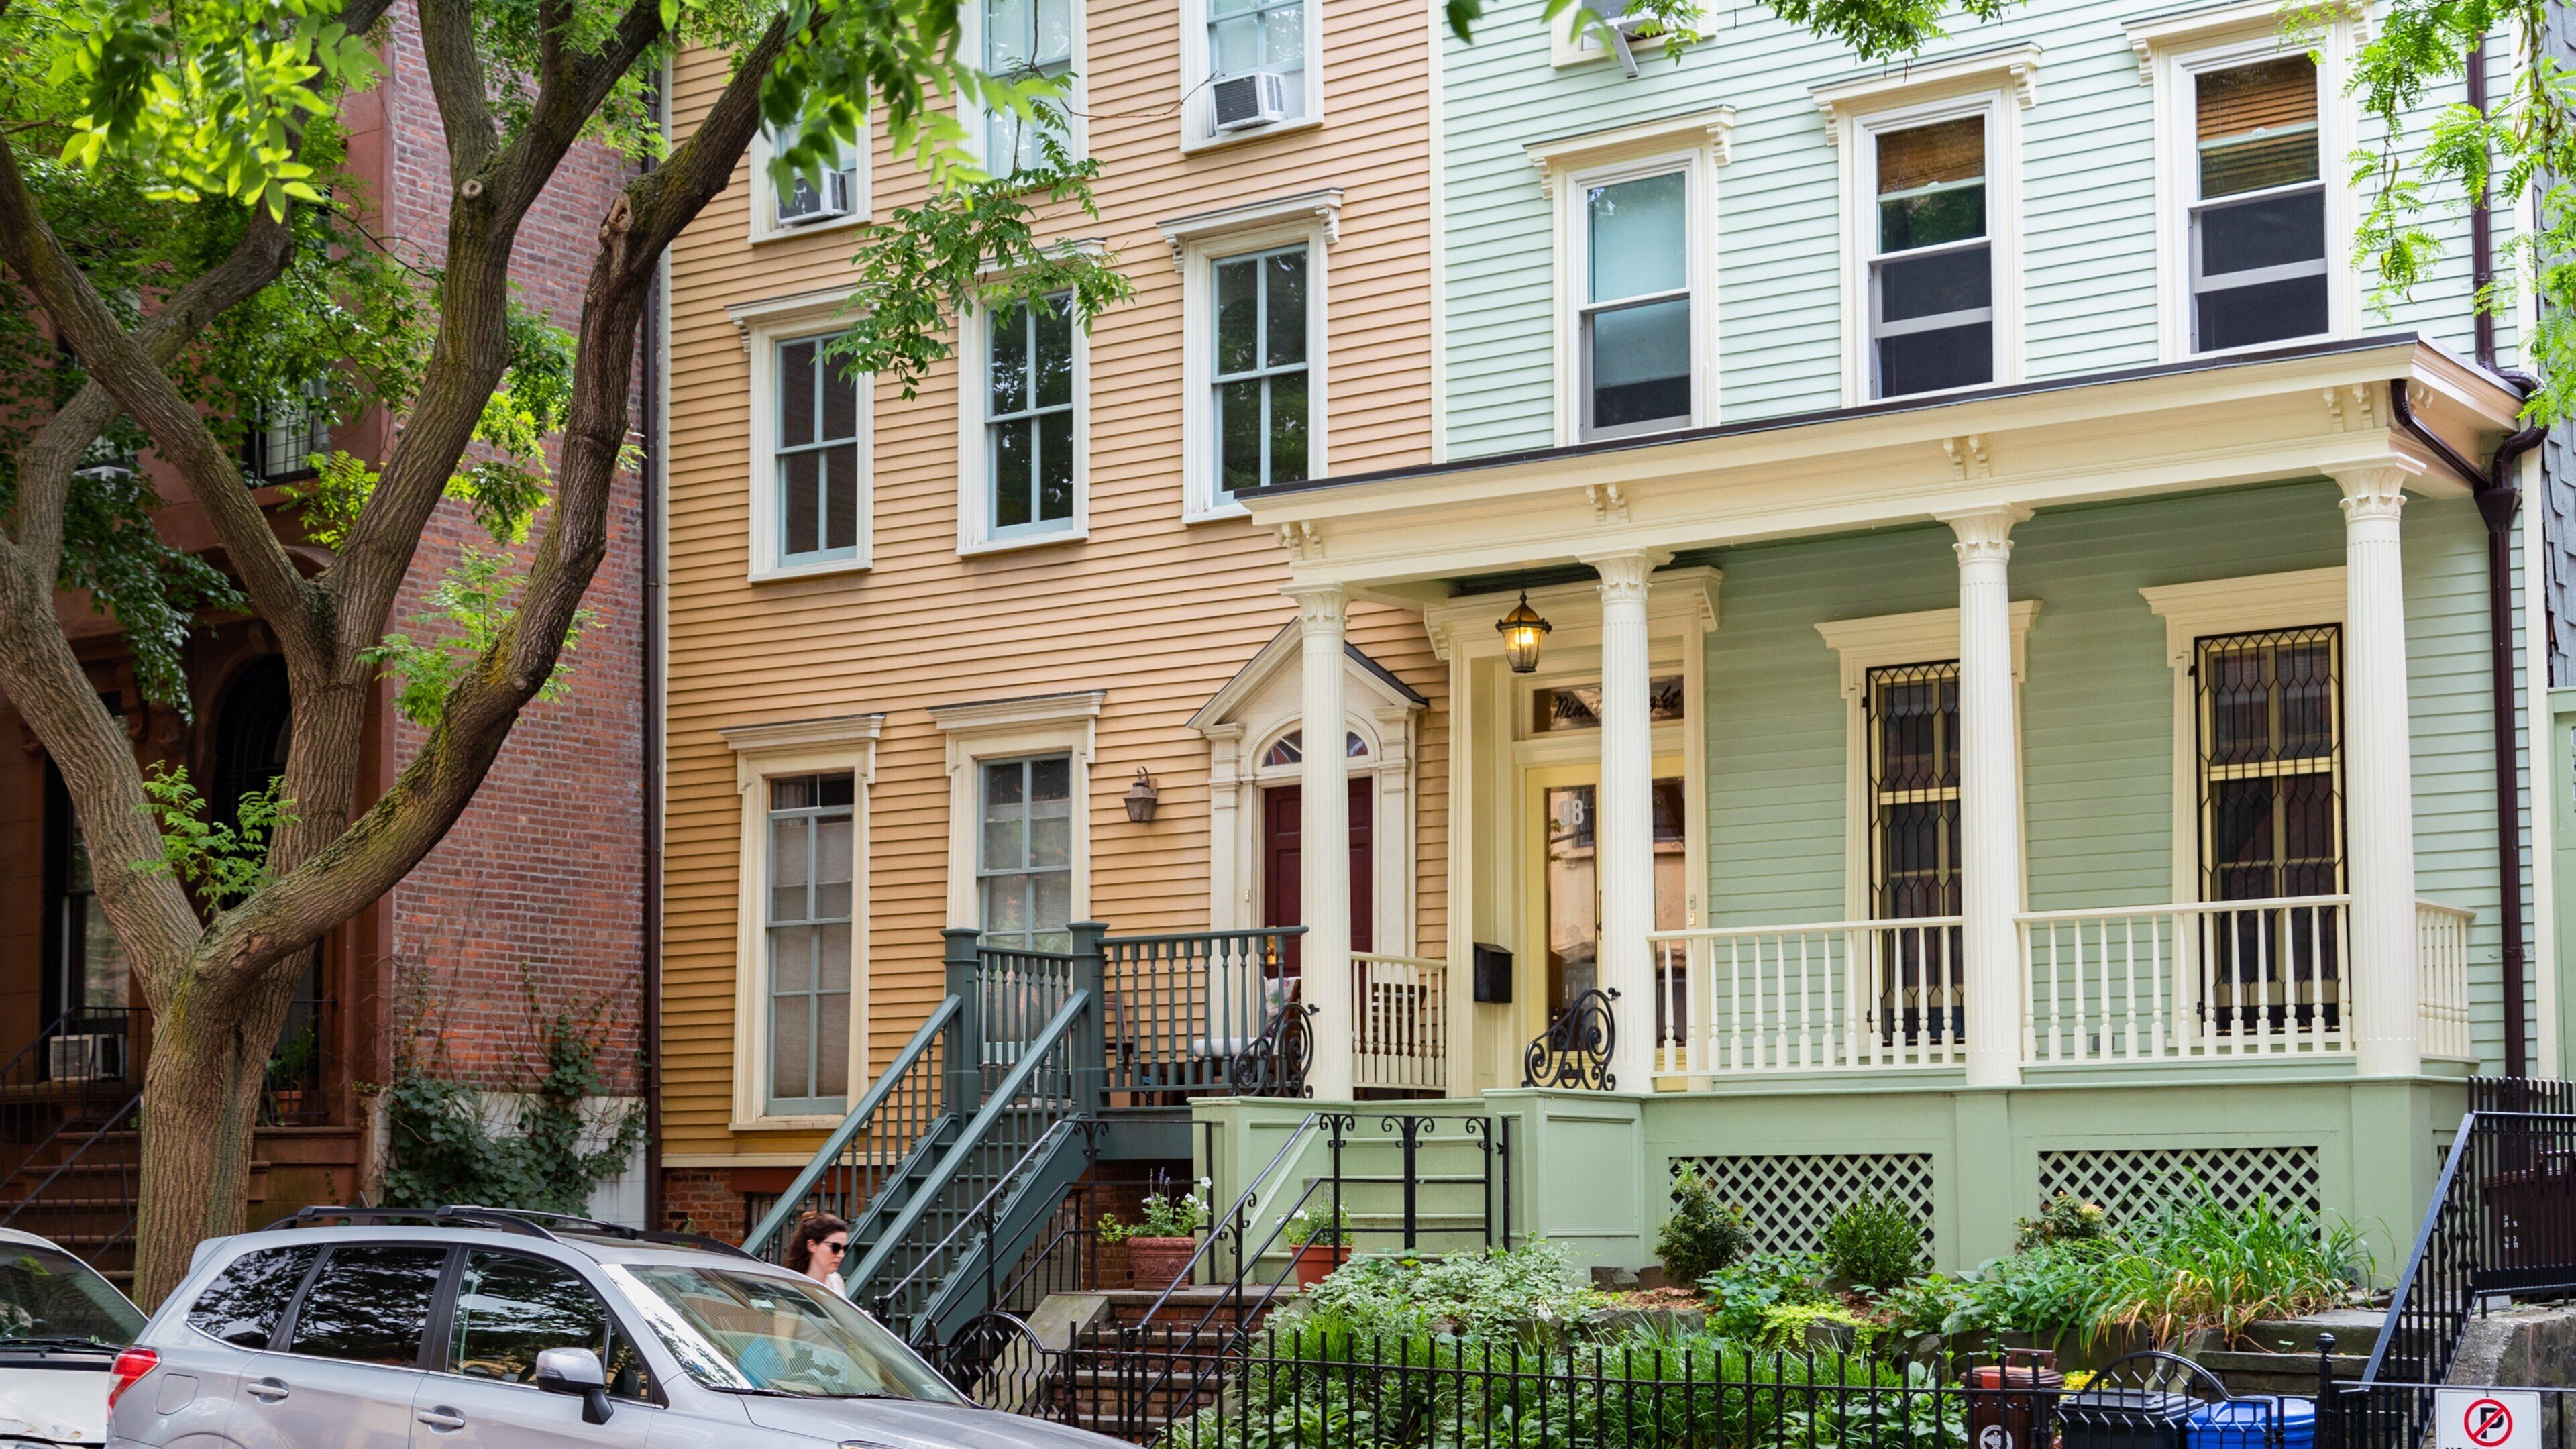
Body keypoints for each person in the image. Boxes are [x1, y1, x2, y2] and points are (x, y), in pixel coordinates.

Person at [784, 1212, 851, 1295]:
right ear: (812, 1246)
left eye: (844, 1248)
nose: (841, 1255)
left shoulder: (836, 1281)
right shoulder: (793, 1287)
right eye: (835, 1247)